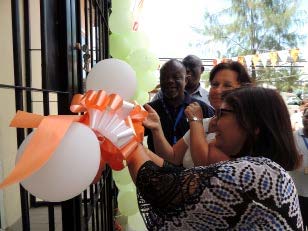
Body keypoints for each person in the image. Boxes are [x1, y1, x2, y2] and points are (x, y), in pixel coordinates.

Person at [127, 87, 303, 230]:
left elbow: (161, 185)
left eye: (222, 113)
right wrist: (137, 143)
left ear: (253, 125)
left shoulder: (256, 174)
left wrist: (123, 137)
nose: (215, 121)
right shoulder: (264, 170)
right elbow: (174, 172)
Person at [144, 61, 252, 167]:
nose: (218, 90)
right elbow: (173, 157)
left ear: (243, 89)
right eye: (215, 84)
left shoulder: (242, 126)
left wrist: (195, 120)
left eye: (227, 85)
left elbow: (203, 166)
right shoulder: (205, 122)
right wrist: (156, 128)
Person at [145, 59, 214, 153]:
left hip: (191, 167)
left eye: (176, 77)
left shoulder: (201, 108)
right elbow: (132, 136)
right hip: (157, 165)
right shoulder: (150, 110)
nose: (170, 81)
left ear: (185, 80)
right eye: (165, 77)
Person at [289, 108, 308, 230]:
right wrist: (292, 163)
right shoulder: (292, 138)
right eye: (307, 116)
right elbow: (282, 162)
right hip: (297, 193)